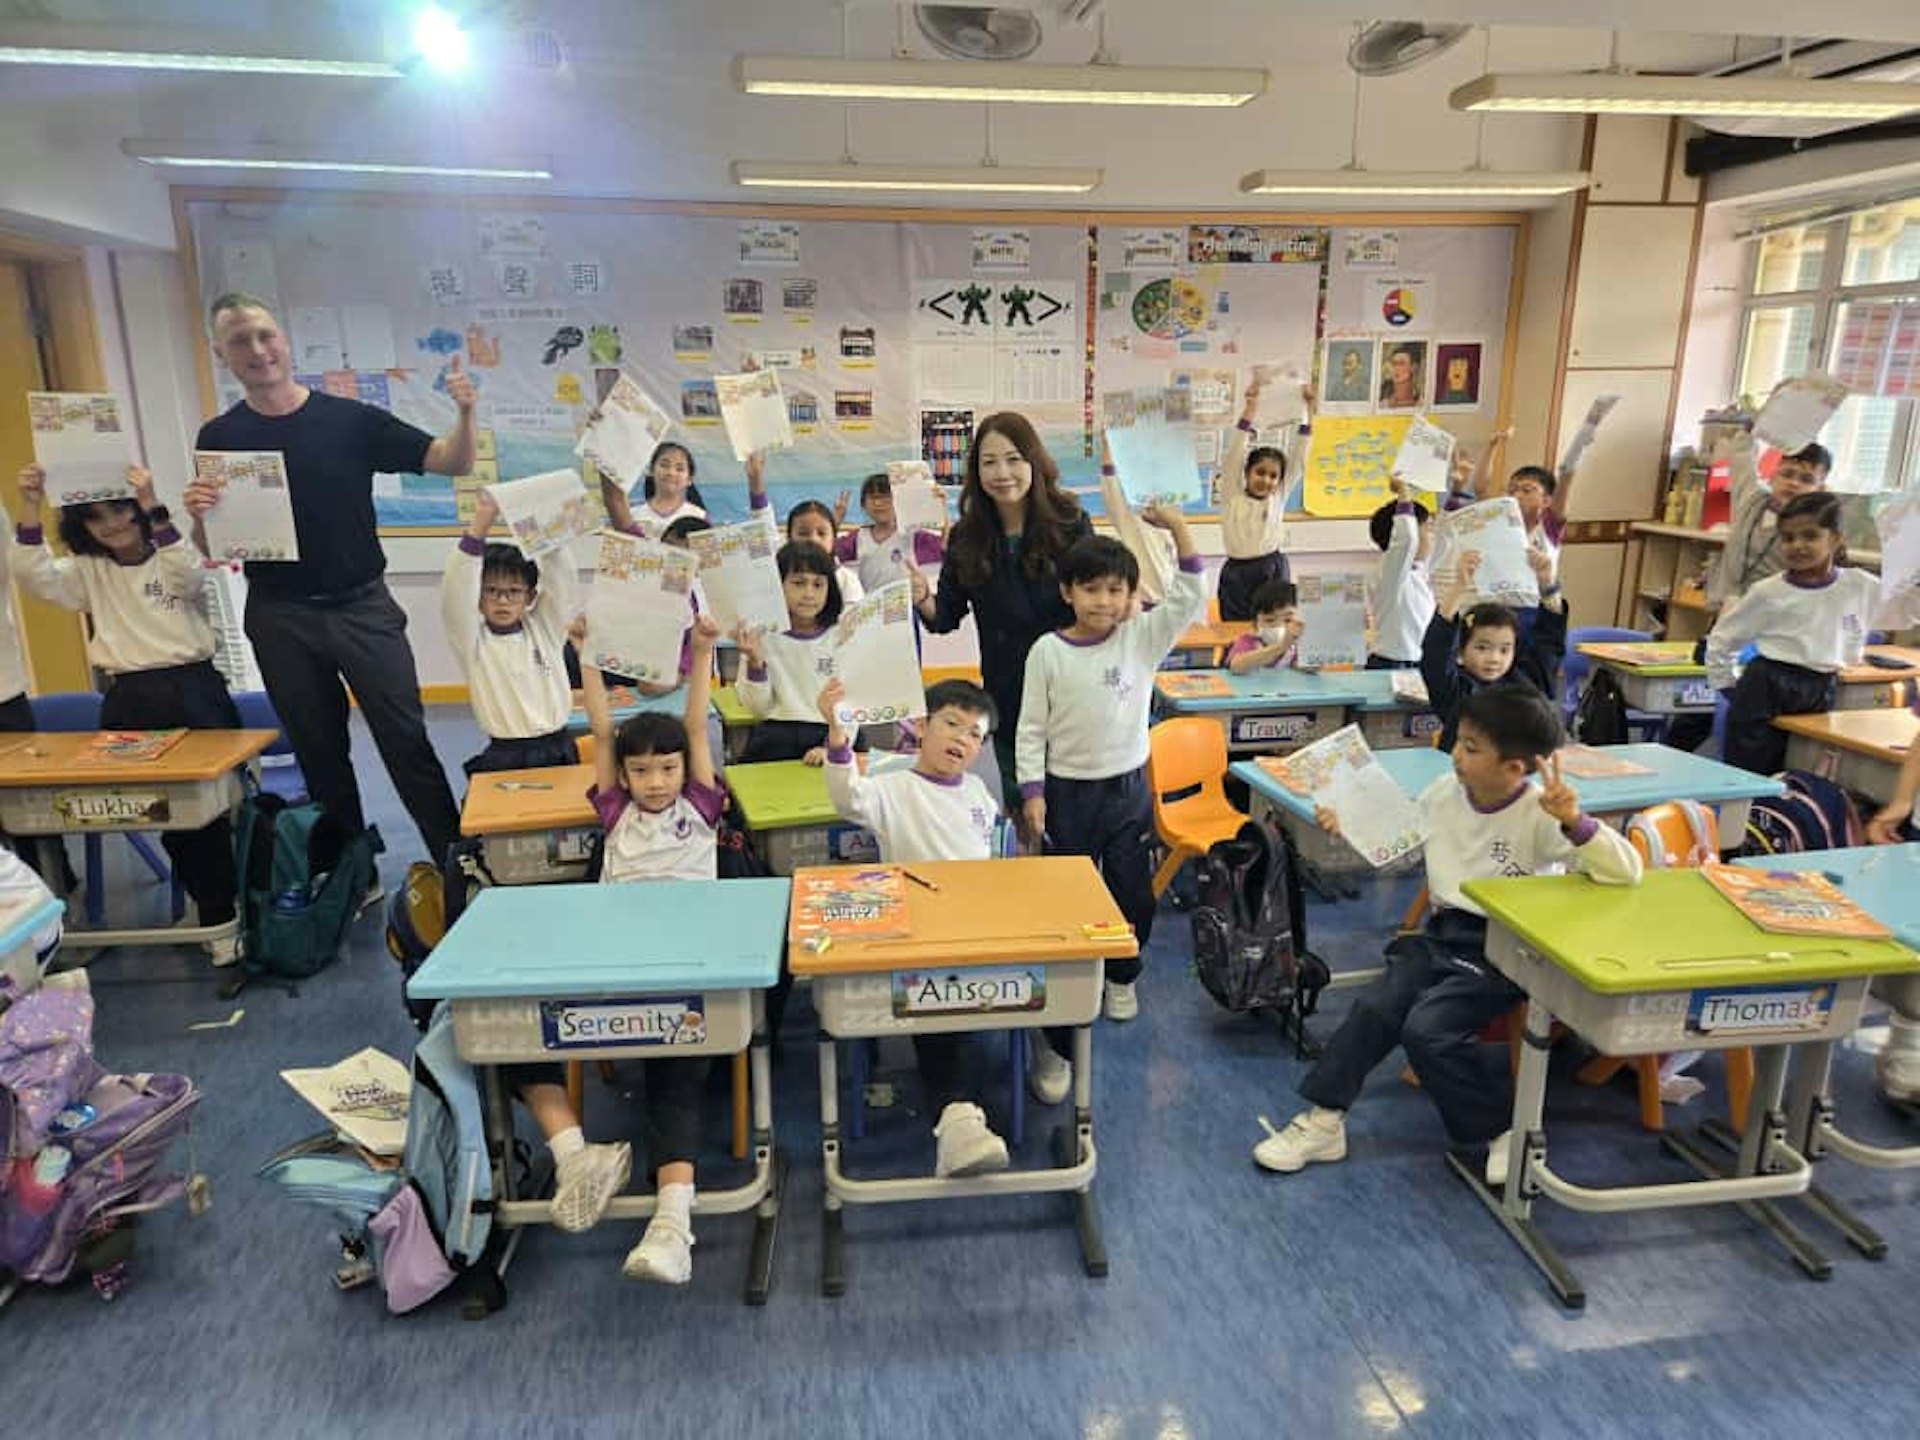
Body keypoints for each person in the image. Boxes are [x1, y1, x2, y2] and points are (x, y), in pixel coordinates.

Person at [1253, 686, 1642, 1180]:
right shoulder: (1443, 792)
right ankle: (1325, 1121)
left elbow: (1627, 871)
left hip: (1508, 946)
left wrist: (1575, 822)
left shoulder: (1541, 813)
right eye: (1459, 740)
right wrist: (1348, 824)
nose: (1456, 754)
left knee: (1428, 1029)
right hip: (1444, 933)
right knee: (1375, 1007)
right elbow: (1401, 850)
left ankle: (1505, 1131)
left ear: (1514, 768)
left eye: (1472, 748)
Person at [185, 293, 460, 865]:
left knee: (406, 742)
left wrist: (468, 413)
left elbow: (450, 461)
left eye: (265, 335)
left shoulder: (350, 421)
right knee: (319, 755)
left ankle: (458, 863)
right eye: (240, 341)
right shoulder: (220, 437)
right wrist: (199, 515)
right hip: (279, 613)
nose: (257, 350)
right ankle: (349, 876)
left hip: (362, 607)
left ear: (284, 340)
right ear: (221, 354)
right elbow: (214, 548)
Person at [11, 462, 244, 965]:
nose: (112, 525)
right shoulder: (89, 571)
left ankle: (221, 919)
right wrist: (30, 504)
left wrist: (153, 503)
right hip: (130, 698)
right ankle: (211, 907)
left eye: (120, 511)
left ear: (139, 513)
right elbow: (34, 575)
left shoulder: (171, 553)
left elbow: (188, 578)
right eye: (96, 519)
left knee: (206, 815)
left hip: (194, 690)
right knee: (166, 816)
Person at [558, 611, 727, 1283]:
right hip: (621, 958)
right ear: (623, 778)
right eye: (642, 771)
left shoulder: (701, 807)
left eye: (666, 769)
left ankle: (673, 1220)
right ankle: (598, 1167)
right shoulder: (616, 811)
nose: (656, 781)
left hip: (688, 961)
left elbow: (696, 725)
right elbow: (603, 731)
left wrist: (704, 651)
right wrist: (586, 653)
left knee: (670, 1074)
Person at [1016, 504, 1209, 1042]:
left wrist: (1178, 527)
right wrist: (1033, 792)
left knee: (1132, 893)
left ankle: (1122, 974)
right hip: (1066, 793)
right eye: (1091, 589)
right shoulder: (1047, 652)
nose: (1103, 601)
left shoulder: (1141, 638)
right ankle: (1075, 974)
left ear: (1129, 596)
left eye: (1115, 590)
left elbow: (1190, 594)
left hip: (1127, 792)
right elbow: (1031, 728)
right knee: (1066, 893)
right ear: (1068, 592)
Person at [817, 675, 1012, 1176]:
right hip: (917, 932)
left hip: (977, 928)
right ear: (922, 726)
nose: (961, 739)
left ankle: (991, 1098)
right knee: (940, 999)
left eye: (974, 734)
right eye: (951, 724)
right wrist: (837, 734)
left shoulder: (979, 793)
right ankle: (959, 1122)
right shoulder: (893, 788)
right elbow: (847, 798)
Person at [912, 412, 1093, 813]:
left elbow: (1094, 596)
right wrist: (922, 596)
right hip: (1007, 687)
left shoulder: (1070, 523)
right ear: (976, 472)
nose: (1002, 473)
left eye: (1013, 459)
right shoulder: (966, 536)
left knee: (1071, 802)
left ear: (1034, 462)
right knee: (1023, 803)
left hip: (1067, 686)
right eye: (989, 462)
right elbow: (944, 617)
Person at [1706, 491, 1876, 776]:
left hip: (1821, 685)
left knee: (1804, 771)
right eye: (1788, 538)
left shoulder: (1860, 585)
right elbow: (1724, 638)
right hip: (1767, 684)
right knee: (1752, 770)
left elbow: (1907, 607)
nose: (1797, 545)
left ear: (1835, 539)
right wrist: (1725, 683)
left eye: (1810, 536)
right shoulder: (1768, 592)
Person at [440, 492, 579, 777]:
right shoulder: (472, 642)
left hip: (558, 746)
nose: (502, 601)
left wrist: (536, 516)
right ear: (477, 597)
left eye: (513, 591)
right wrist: (483, 519)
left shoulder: (545, 630)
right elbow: (457, 588)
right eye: (491, 591)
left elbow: (561, 581)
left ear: (530, 597)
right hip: (506, 753)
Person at [1420, 553, 1567, 752]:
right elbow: (1436, 654)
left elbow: (1549, 643)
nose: (1494, 658)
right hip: (1464, 770)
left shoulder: (1526, 680)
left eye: (1505, 649)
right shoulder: (1456, 689)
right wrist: (1458, 588)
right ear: (1460, 653)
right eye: (1482, 647)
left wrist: (1547, 584)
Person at [732, 541, 848, 765]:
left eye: (818, 584)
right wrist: (755, 663)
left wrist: (831, 747)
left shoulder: (842, 636)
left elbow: (852, 706)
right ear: (778, 585)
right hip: (775, 736)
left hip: (830, 734)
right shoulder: (760, 635)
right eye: (798, 583)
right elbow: (757, 708)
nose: (809, 594)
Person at [1217, 376, 1314, 620]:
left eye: (1273, 476)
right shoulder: (1232, 495)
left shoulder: (1277, 496)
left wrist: (1308, 411)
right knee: (1236, 629)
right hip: (1237, 573)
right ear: (1247, 473)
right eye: (1260, 472)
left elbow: (1299, 459)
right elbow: (1234, 454)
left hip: (1271, 569)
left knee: (1274, 625)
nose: (1266, 480)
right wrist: (1250, 409)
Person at [1705, 430, 1831, 611]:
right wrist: (1754, 427)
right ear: (1772, 477)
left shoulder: (1815, 530)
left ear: (1820, 490)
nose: (1793, 483)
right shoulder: (1751, 499)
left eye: (1806, 480)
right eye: (1787, 474)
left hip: (1775, 613)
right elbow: (1742, 456)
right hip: (1728, 604)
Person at [744, 452, 865, 607]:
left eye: (821, 533)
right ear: (789, 538)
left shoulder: (846, 580)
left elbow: (855, 619)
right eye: (803, 533)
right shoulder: (778, 573)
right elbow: (763, 527)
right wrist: (756, 485)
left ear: (833, 539)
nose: (813, 539)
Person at [832, 473, 945, 594]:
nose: (878, 503)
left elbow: (946, 547)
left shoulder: (914, 537)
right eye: (873, 497)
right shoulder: (857, 539)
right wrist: (836, 519)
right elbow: (825, 554)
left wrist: (941, 508)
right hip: (871, 603)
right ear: (863, 504)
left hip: (908, 603)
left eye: (885, 497)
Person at [1368, 479, 1435, 670]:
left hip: (1415, 663)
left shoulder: (1417, 570)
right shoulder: (1390, 572)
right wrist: (1403, 493)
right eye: (1428, 528)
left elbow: (1446, 541)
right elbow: (1405, 539)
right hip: (1391, 665)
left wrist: (1457, 492)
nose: (1432, 535)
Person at [601, 441, 706, 542]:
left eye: (679, 469)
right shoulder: (633, 515)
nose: (671, 473)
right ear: (651, 470)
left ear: (689, 479)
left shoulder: (699, 516)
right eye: (664, 465)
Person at [1225, 579, 1305, 674]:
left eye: (1288, 620)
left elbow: (1305, 667)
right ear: (1256, 623)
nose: (1278, 626)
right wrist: (1280, 647)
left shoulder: (1295, 647)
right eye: (1269, 620)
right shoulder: (1248, 642)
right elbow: (1236, 666)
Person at [1378, 345, 1423, 410]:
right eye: (1394, 363)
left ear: (1413, 367)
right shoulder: (1382, 406)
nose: (1396, 368)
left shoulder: (1422, 404)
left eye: (1401, 363)